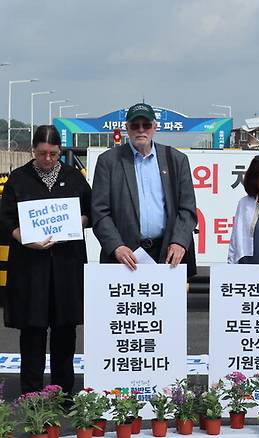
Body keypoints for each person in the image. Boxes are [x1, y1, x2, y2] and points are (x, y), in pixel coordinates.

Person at [0, 125, 91, 394]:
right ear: (33, 151)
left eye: (53, 154)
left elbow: (91, 212)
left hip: (66, 264)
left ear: (60, 152)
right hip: (30, 266)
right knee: (32, 330)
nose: (48, 159)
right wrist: (22, 237)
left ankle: (63, 391)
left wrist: (73, 224)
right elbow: (5, 218)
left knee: (65, 330)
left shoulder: (74, 178)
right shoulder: (18, 178)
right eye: (42, 154)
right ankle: (30, 392)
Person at [91, 103, 197, 274]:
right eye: (135, 125)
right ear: (126, 128)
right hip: (125, 257)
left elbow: (187, 208)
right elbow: (100, 212)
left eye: (146, 125)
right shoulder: (109, 161)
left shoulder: (176, 160)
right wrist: (116, 246)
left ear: (155, 127)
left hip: (167, 254)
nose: (141, 130)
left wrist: (179, 241)